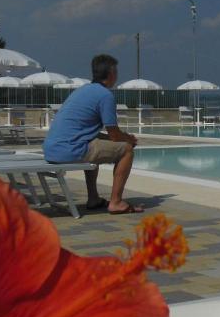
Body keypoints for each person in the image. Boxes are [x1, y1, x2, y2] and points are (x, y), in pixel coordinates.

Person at [43, 53, 144, 214]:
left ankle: (93, 198)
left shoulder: (83, 90)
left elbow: (102, 136)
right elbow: (114, 136)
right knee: (127, 150)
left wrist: (122, 137)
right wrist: (129, 139)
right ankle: (116, 202)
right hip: (70, 150)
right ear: (111, 74)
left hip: (52, 149)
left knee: (94, 142)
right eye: (116, 72)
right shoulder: (105, 95)